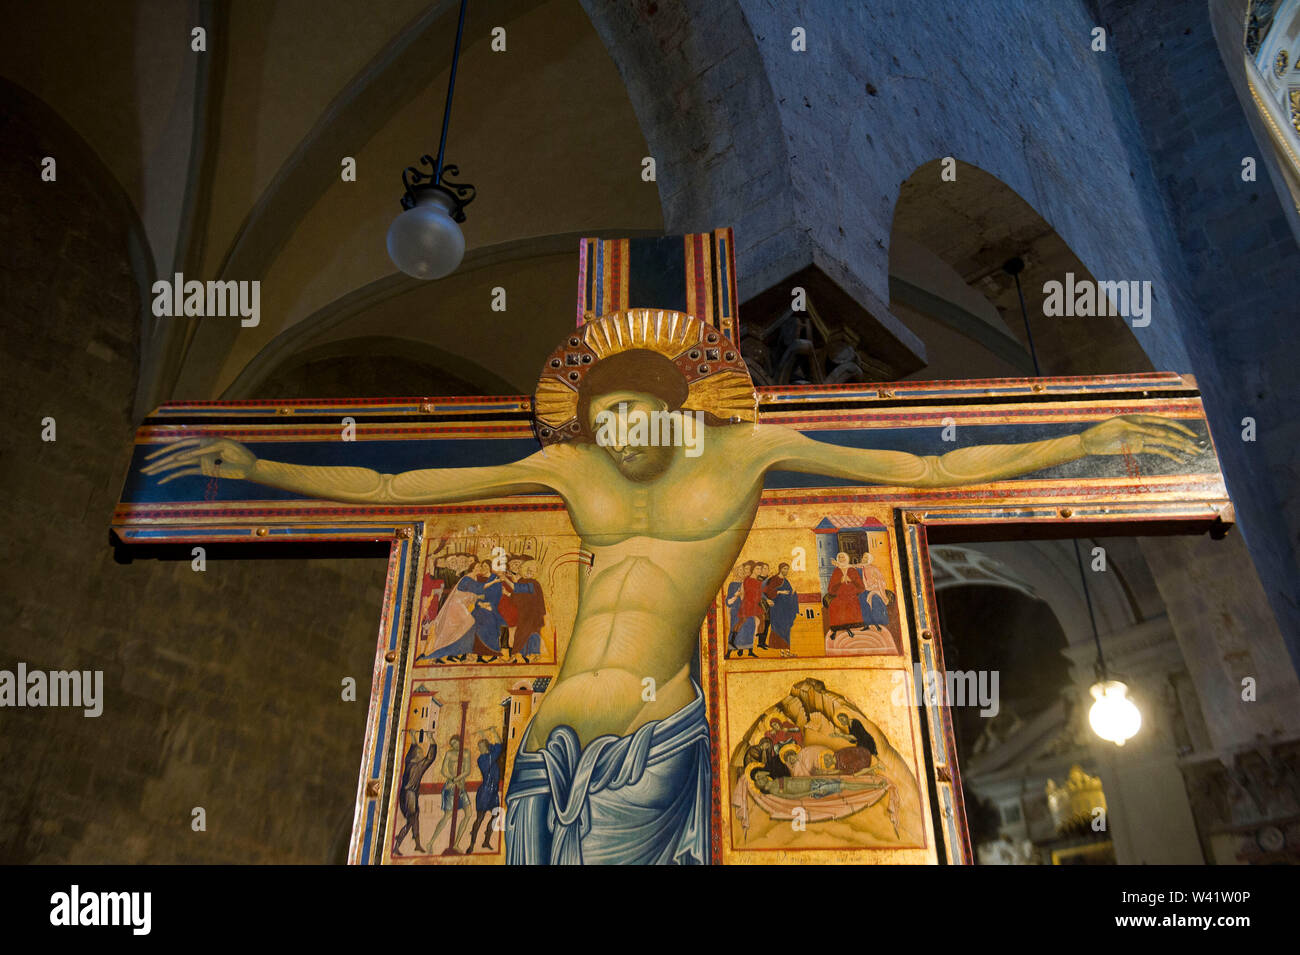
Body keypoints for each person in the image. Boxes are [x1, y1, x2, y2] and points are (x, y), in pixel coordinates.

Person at [143, 311, 1200, 864]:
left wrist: (1089, 435)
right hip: (546, 737)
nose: (618, 446)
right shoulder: (569, 467)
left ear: (678, 411)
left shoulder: (742, 453)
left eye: (635, 425)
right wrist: (257, 464)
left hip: (653, 739)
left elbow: (920, 466)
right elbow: (398, 482)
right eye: (601, 428)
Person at [391, 736, 438, 855]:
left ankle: (417, 844)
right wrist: (432, 741)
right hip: (410, 796)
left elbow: (413, 746)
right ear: (417, 756)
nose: (422, 753)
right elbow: (430, 758)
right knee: (411, 821)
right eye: (420, 752)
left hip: (405, 795)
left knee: (415, 818)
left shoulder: (409, 763)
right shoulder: (418, 766)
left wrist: (412, 736)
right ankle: (397, 845)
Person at [428, 735, 472, 853]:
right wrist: (453, 780)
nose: (454, 745)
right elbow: (443, 770)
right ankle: (430, 842)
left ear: (460, 741)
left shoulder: (467, 753)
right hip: (451, 787)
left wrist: (457, 780)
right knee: (447, 816)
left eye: (456, 743)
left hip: (461, 787)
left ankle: (456, 843)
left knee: (468, 814)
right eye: (452, 744)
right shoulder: (449, 754)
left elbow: (467, 770)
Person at [469, 728, 505, 852]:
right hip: (485, 792)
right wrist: (494, 732)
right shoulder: (484, 759)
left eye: (482, 746)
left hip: (493, 792)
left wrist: (484, 734)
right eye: (480, 747)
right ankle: (472, 844)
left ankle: (486, 841)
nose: (481, 749)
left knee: (496, 816)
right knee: (480, 818)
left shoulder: (490, 755)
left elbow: (495, 747)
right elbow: (499, 747)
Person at [510, 560, 547, 662]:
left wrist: (509, 581)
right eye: (527, 570)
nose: (529, 573)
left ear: (535, 573)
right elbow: (515, 597)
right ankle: (517, 655)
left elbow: (520, 589)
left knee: (532, 633)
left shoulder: (534, 583)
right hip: (523, 613)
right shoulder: (522, 581)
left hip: (533, 614)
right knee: (521, 633)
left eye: (532, 572)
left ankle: (534, 655)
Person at [824, 552, 865, 640]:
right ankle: (838, 628)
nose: (842, 559)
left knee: (851, 604)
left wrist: (852, 581)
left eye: (843, 557)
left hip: (851, 596)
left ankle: (851, 627)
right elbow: (830, 589)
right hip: (840, 596)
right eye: (840, 558)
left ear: (847, 558)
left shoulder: (852, 570)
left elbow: (861, 587)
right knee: (834, 605)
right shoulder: (837, 571)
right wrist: (840, 582)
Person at [764, 562, 798, 655]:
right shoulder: (774, 579)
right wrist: (779, 592)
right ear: (780, 569)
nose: (786, 571)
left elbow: (789, 593)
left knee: (786, 628)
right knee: (779, 628)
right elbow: (768, 591)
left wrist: (793, 593)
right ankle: (782, 651)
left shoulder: (786, 581)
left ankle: (787, 651)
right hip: (777, 608)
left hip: (786, 609)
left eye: (787, 569)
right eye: (784, 569)